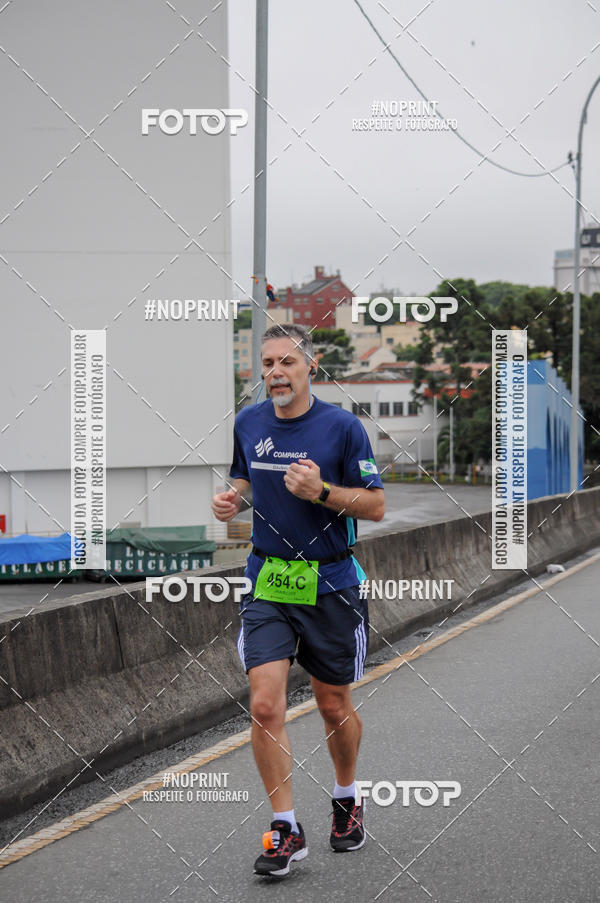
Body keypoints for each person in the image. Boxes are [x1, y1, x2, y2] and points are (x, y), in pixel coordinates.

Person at [211, 323, 385, 878]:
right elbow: (244, 478)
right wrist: (230, 501)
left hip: (331, 585)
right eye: (267, 363)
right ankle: (285, 828)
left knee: (334, 705)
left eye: (286, 361)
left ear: (311, 367)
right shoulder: (249, 422)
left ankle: (347, 797)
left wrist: (322, 493)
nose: (275, 373)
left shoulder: (342, 429)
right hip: (268, 582)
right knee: (264, 705)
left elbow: (376, 506)